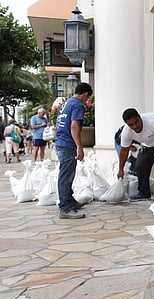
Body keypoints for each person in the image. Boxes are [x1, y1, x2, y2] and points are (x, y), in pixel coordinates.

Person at [116, 108, 154, 204]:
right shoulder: (126, 132)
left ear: (140, 117)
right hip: (149, 146)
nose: (135, 126)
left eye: (136, 122)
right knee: (140, 166)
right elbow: (124, 151)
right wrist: (120, 169)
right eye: (131, 125)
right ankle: (144, 192)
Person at [55, 82, 93, 219]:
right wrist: (79, 147)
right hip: (67, 144)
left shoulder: (65, 104)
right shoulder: (77, 105)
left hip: (60, 141)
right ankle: (65, 208)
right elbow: (74, 126)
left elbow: (58, 124)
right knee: (66, 176)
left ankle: (69, 201)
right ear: (85, 94)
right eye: (88, 98)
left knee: (66, 174)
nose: (87, 101)